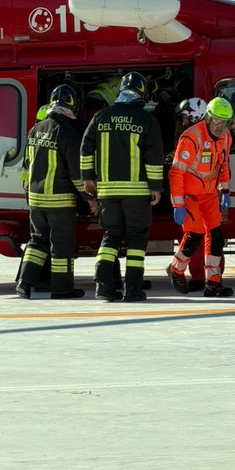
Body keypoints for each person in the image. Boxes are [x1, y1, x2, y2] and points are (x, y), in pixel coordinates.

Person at [80, 71, 164, 302]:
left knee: (110, 236)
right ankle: (133, 289)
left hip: (107, 192)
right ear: (142, 93)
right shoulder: (147, 120)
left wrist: (88, 178)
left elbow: (86, 149)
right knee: (137, 241)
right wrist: (155, 187)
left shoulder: (101, 116)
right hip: (137, 193)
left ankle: (103, 287)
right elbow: (154, 157)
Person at [17, 84, 89, 300]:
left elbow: (27, 164)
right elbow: (77, 175)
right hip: (60, 201)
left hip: (36, 200)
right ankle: (62, 289)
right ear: (72, 105)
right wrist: (88, 198)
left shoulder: (35, 130)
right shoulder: (69, 134)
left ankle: (24, 283)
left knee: (37, 242)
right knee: (61, 247)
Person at [167, 96, 234, 298]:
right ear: (207, 118)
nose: (221, 126)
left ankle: (213, 283)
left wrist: (225, 190)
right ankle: (176, 269)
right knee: (194, 235)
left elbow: (223, 164)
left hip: (209, 195)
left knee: (216, 237)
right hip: (189, 196)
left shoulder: (226, 137)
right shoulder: (191, 137)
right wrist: (178, 204)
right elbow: (177, 172)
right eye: (217, 121)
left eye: (225, 122)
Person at [172, 97, 209, 292]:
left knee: (197, 237)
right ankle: (202, 277)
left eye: (185, 117)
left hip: (196, 196)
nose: (183, 121)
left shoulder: (191, 137)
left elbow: (179, 171)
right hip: (200, 196)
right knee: (201, 237)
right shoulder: (213, 134)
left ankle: (201, 277)